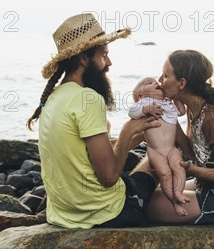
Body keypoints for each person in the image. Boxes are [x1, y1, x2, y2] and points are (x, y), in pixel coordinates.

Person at [26, 13, 161, 229]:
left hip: (63, 213)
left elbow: (89, 153)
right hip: (105, 212)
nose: (109, 62)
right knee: (158, 158)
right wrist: (129, 130)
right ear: (83, 59)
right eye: (104, 55)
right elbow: (108, 177)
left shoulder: (55, 97)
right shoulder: (88, 99)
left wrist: (143, 132)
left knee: (141, 156)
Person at [141, 49, 214, 225]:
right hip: (207, 186)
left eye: (166, 75)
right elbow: (195, 154)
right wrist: (169, 118)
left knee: (144, 203)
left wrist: (192, 170)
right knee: (157, 191)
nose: (160, 81)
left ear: (182, 83)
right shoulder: (195, 108)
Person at [129, 77, 189, 216]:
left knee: (179, 167)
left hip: (171, 148)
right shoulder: (143, 103)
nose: (156, 83)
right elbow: (132, 112)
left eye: (156, 81)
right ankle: (174, 202)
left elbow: (181, 112)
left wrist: (177, 99)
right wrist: (146, 109)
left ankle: (179, 193)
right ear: (140, 95)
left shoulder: (168, 103)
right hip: (155, 151)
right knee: (165, 175)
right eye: (149, 83)